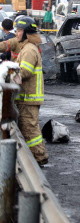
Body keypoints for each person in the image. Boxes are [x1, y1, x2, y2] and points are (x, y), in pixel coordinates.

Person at [0, 17, 47, 165]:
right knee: (27, 128)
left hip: (29, 98)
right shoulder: (25, 47)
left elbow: (24, 72)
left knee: (30, 130)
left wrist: (7, 73)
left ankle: (39, 158)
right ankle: (36, 158)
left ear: (27, 33)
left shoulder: (29, 50)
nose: (17, 33)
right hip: (26, 97)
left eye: (20, 31)